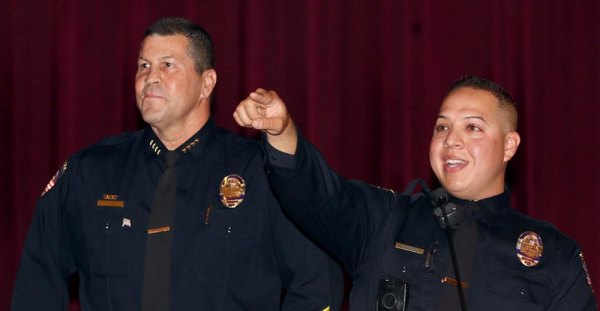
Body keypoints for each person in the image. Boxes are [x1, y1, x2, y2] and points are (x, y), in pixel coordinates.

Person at [12, 17, 343, 311]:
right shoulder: (91, 171)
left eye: (167, 65)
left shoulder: (258, 173)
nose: (150, 77)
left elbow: (318, 283)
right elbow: (38, 278)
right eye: (143, 65)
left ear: (206, 83)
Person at [233, 76, 598, 310]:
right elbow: (320, 195)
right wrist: (282, 134)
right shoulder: (387, 220)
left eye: (472, 127)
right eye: (442, 127)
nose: (451, 140)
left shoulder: (554, 255)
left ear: (509, 146)